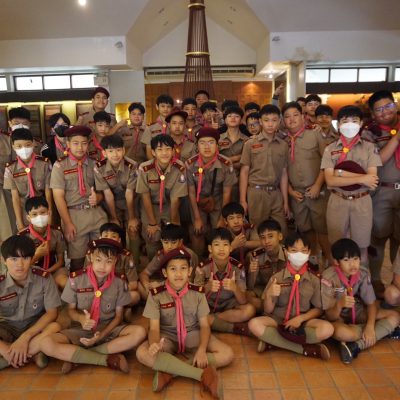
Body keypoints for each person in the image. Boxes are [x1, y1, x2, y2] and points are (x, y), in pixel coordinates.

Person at [136, 248, 233, 398]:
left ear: (190, 271)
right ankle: (201, 375)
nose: (178, 274)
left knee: (227, 354)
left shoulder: (198, 292)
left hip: (192, 334)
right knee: (142, 353)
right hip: (166, 337)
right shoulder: (156, 295)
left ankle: (169, 371)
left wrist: (202, 350)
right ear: (165, 273)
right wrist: (154, 344)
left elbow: (205, 325)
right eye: (173, 269)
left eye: (183, 268)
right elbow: (154, 328)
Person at [39, 238, 146, 374]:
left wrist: (101, 335)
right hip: (81, 330)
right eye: (98, 260)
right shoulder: (75, 280)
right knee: (46, 343)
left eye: (108, 261)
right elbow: (70, 310)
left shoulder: (120, 282)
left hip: (108, 329)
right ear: (90, 258)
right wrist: (81, 319)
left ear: (115, 261)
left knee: (139, 333)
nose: (102, 266)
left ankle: (79, 356)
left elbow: (118, 317)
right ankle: (104, 359)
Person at [248, 232, 334, 359]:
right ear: (286, 252)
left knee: (328, 329)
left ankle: (273, 343)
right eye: (294, 250)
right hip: (278, 320)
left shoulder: (314, 279)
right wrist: (270, 295)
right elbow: (268, 310)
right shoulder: (277, 277)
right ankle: (306, 349)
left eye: (303, 251)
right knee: (254, 324)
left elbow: (318, 309)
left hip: (303, 322)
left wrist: (300, 319)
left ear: (309, 253)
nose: (299, 255)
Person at [321, 238, 400, 364]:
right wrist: (339, 305)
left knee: (395, 316)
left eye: (356, 259)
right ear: (336, 262)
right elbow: (329, 315)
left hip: (357, 311)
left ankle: (356, 345)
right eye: (346, 260)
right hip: (338, 318)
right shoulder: (328, 278)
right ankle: (380, 331)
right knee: (342, 333)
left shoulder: (362, 274)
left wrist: (370, 327)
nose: (353, 264)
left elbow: (371, 304)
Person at [321, 105, 381, 265]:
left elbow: (372, 180)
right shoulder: (330, 149)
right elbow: (330, 181)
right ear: (339, 124)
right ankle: (337, 280)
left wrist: (340, 173)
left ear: (361, 123)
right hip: (337, 200)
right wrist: (362, 178)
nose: (349, 125)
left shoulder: (369, 148)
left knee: (361, 247)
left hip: (361, 201)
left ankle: (362, 280)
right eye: (345, 121)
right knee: (337, 247)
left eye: (354, 121)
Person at [50, 126, 108, 271]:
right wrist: (67, 223)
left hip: (96, 214)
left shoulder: (94, 163)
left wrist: (98, 197)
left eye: (84, 143)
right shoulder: (60, 166)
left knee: (101, 256)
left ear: (88, 144)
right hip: (74, 216)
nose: (80, 147)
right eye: (76, 143)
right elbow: (58, 197)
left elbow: (103, 191)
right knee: (78, 260)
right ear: (68, 144)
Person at [0, 235, 61, 370]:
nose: (20, 264)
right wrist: (3, 349)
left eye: (25, 258)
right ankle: (30, 353)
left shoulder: (44, 278)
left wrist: (24, 338)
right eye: (14, 259)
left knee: (55, 327)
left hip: (35, 327)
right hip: (7, 327)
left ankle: (13, 357)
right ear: (4, 260)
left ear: (32, 258)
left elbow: (52, 313)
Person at [282, 101, 332, 267]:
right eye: (287, 117)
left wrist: (318, 185)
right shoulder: (282, 140)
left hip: (317, 190)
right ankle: (314, 260)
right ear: (283, 120)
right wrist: (290, 191)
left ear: (303, 116)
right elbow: (282, 171)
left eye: (295, 115)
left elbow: (327, 162)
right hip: (297, 194)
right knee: (305, 229)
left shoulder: (315, 134)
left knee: (322, 229)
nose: (292, 119)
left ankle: (330, 262)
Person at [362, 91, 400, 282]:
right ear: (372, 113)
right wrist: (397, 138)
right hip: (382, 191)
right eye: (379, 109)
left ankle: (396, 282)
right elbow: (377, 161)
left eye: (388, 106)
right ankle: (376, 281)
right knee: (378, 237)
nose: (385, 112)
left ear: (396, 105)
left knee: (398, 241)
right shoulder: (370, 133)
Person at [193, 228, 256, 336]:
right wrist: (207, 287)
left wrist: (235, 288)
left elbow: (243, 301)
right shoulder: (202, 268)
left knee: (250, 310)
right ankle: (223, 325)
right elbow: (195, 298)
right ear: (210, 248)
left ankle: (212, 320)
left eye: (225, 245)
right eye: (217, 245)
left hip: (229, 305)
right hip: (208, 305)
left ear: (231, 248)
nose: (221, 249)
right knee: (192, 311)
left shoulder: (238, 268)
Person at [186, 127, 236, 257]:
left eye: (211, 142)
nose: (207, 147)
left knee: (219, 232)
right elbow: (191, 192)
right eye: (202, 143)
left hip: (219, 200)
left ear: (217, 145)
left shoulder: (226, 163)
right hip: (198, 201)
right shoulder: (190, 164)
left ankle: (217, 261)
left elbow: (227, 192)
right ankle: (198, 262)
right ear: (197, 146)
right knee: (197, 231)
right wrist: (197, 218)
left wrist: (222, 218)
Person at [136, 134, 188, 259]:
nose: (164, 153)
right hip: (151, 206)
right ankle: (153, 263)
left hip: (170, 205)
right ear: (153, 152)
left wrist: (173, 223)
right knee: (152, 236)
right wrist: (152, 223)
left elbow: (175, 199)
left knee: (173, 236)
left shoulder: (179, 167)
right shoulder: (145, 168)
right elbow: (145, 195)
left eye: (168, 149)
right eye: (160, 149)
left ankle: (173, 262)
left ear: (173, 151)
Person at [240, 104, 289, 233]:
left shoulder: (283, 145)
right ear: (260, 122)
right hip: (256, 193)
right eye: (266, 120)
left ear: (279, 121)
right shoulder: (250, 144)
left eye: (274, 120)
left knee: (281, 231)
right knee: (257, 231)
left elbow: (284, 173)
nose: (270, 124)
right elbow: (244, 172)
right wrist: (243, 200)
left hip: (276, 193)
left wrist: (285, 202)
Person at [94, 134, 140, 262]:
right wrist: (114, 218)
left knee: (133, 229)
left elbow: (129, 193)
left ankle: (133, 263)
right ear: (104, 153)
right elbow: (107, 194)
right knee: (115, 232)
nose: (115, 154)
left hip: (130, 202)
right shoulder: (99, 168)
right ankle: (117, 262)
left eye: (118, 150)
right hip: (111, 204)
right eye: (111, 151)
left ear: (124, 150)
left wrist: (132, 218)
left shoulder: (132, 165)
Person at [4, 128, 52, 231]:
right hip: (24, 212)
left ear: (33, 144)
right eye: (19, 146)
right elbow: (15, 198)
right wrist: (20, 224)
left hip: (43, 209)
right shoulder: (10, 169)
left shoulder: (44, 163)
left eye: (27, 145)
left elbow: (48, 192)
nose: (24, 149)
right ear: (13, 147)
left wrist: (50, 216)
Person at [19, 196, 67, 290]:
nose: (39, 217)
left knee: (65, 283)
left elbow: (61, 261)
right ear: (28, 217)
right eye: (34, 214)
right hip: (31, 272)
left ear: (49, 213)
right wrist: (37, 255)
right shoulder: (22, 237)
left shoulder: (56, 233)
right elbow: (21, 266)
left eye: (42, 212)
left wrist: (47, 272)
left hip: (53, 270)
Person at [139, 223, 198, 299]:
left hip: (184, 291)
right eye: (166, 242)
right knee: (140, 286)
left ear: (180, 242)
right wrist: (147, 285)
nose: (169, 246)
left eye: (173, 242)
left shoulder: (189, 255)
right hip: (167, 288)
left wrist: (161, 286)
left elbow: (187, 282)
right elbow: (144, 273)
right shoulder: (161, 255)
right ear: (161, 241)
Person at [246, 219, 286, 312]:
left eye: (270, 236)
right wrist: (252, 272)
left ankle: (269, 310)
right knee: (248, 296)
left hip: (283, 289)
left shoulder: (288, 254)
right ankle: (270, 309)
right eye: (262, 238)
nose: (266, 241)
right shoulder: (255, 256)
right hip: (263, 289)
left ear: (280, 236)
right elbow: (251, 287)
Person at [218, 106, 249, 201]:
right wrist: (238, 158)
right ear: (225, 120)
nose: (233, 118)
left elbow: (247, 163)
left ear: (241, 120)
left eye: (236, 116)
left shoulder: (247, 140)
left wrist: (227, 162)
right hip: (220, 182)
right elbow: (214, 160)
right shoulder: (218, 139)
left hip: (240, 182)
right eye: (229, 116)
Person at [141, 94, 174, 160]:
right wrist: (155, 165)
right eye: (162, 106)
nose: (165, 109)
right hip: (155, 163)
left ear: (172, 108)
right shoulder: (150, 128)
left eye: (168, 106)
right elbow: (149, 151)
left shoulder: (175, 126)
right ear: (157, 107)